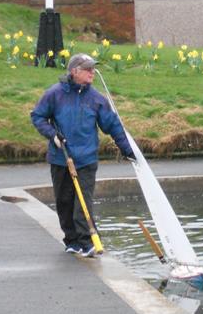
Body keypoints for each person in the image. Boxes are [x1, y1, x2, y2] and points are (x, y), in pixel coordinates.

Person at [31, 53, 135, 256]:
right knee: (64, 201)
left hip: (86, 159)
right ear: (74, 71)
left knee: (83, 203)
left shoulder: (96, 99)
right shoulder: (55, 94)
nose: (92, 72)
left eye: (93, 69)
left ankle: (87, 242)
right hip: (61, 158)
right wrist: (53, 135)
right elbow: (38, 116)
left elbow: (112, 125)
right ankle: (71, 241)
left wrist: (128, 150)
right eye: (87, 69)